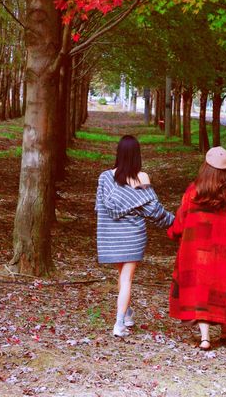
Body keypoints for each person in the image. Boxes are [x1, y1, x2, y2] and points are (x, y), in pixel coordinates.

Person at [167, 145, 226, 350]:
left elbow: (181, 219)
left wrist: (173, 233)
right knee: (224, 287)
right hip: (222, 250)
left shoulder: (193, 191)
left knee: (201, 291)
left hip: (193, 251)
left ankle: (205, 338)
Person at [95, 134, 175, 338]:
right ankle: (119, 323)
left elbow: (100, 209)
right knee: (127, 279)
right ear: (137, 155)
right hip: (132, 237)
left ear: (119, 154)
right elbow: (154, 210)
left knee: (122, 276)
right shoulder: (142, 178)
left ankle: (128, 313)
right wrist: (175, 222)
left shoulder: (105, 177)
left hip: (110, 237)